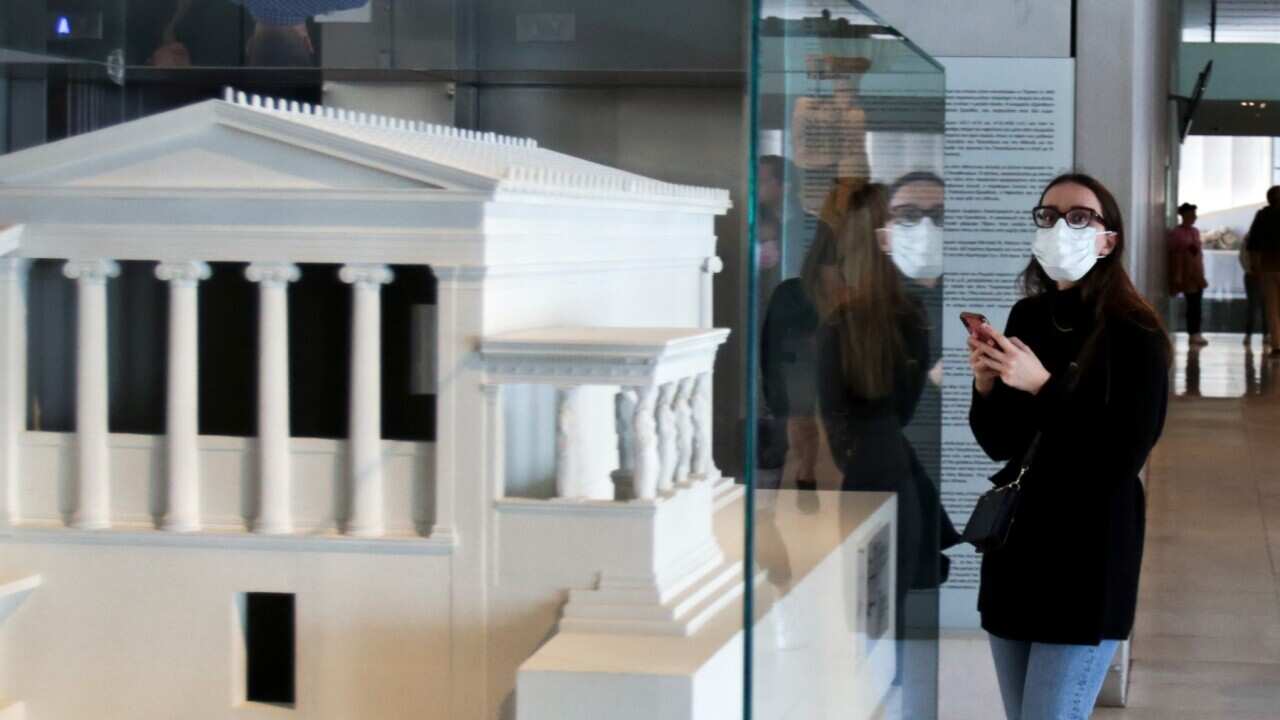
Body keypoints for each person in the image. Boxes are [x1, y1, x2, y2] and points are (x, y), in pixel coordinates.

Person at [968, 173, 1170, 719]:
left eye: (1079, 216)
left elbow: (1120, 458)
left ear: (1109, 238)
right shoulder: (1027, 317)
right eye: (1050, 215)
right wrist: (986, 386)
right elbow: (1000, 443)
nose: (1061, 226)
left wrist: (1042, 386)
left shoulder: (1138, 333)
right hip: (1019, 550)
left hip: (1088, 559)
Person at [1245, 186, 1280, 357]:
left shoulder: (1262, 216)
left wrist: (1255, 266)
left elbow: (1253, 244)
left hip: (1267, 268)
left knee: (1272, 309)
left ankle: (1276, 346)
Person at [1168, 202, 1208, 346]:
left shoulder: (1195, 231)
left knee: (1196, 304)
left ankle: (1196, 332)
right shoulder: (1176, 233)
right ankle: (1193, 333)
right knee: (1192, 305)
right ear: (1184, 216)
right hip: (1185, 273)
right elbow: (1174, 254)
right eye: (1191, 215)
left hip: (1196, 272)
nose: (1194, 217)